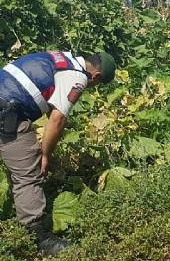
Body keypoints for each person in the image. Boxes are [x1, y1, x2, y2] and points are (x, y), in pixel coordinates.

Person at [0, 51, 116, 256]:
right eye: (97, 84)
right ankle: (35, 235)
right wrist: (45, 155)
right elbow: (57, 119)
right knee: (29, 174)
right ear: (96, 76)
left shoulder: (61, 57)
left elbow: (45, 90)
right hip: (8, 113)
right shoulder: (79, 77)